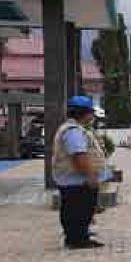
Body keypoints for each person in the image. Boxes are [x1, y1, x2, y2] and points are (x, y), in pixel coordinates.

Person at [51, 96, 105, 249]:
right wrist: (90, 176)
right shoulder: (73, 131)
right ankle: (77, 239)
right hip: (76, 180)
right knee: (79, 210)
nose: (92, 116)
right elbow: (79, 156)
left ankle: (78, 235)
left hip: (72, 180)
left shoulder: (72, 129)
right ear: (84, 113)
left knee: (77, 209)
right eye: (91, 113)